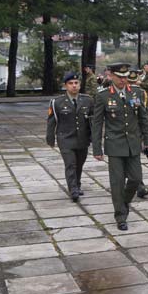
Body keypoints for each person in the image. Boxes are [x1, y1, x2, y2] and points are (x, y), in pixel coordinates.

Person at [91, 63, 148, 231]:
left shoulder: (137, 92)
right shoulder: (103, 96)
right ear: (111, 76)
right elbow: (97, 124)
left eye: (125, 77)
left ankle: (123, 203)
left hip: (133, 144)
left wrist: (147, 140)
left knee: (135, 178)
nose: (123, 80)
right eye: (120, 77)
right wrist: (97, 148)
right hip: (115, 145)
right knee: (117, 182)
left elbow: (143, 118)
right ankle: (120, 216)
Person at [46, 72, 93, 202]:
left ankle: (77, 185)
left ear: (80, 85)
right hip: (65, 139)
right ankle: (73, 190)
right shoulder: (57, 102)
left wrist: (95, 138)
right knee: (70, 164)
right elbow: (52, 121)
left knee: (79, 164)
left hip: (82, 139)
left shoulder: (88, 100)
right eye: (71, 83)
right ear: (65, 86)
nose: (74, 86)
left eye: (76, 83)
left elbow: (92, 121)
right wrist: (50, 138)